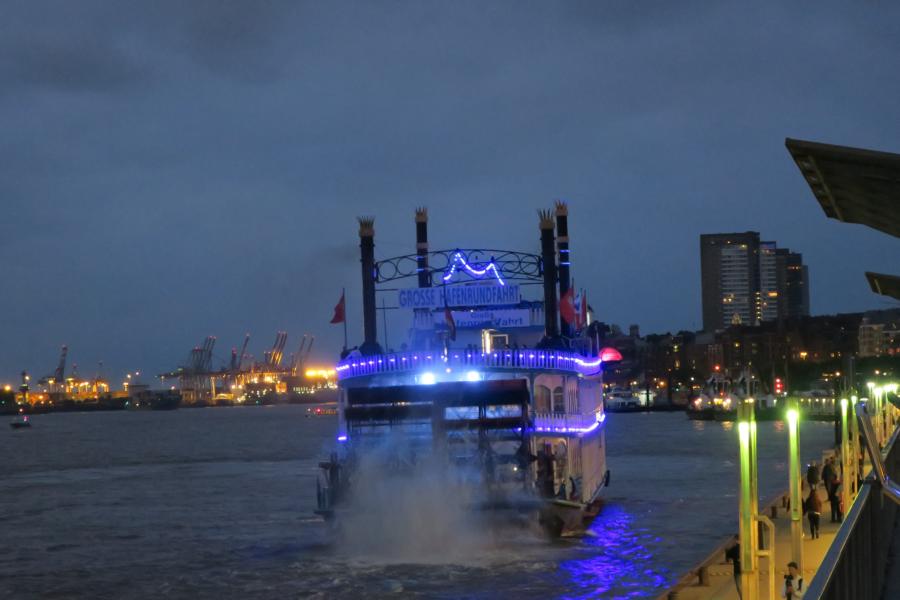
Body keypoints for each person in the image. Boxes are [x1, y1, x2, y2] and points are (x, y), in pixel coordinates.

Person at [725, 535, 742, 600]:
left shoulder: (734, 549)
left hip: (737, 570)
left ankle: (743, 598)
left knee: (739, 585)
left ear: (735, 540)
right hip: (747, 569)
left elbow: (728, 559)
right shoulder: (746, 548)